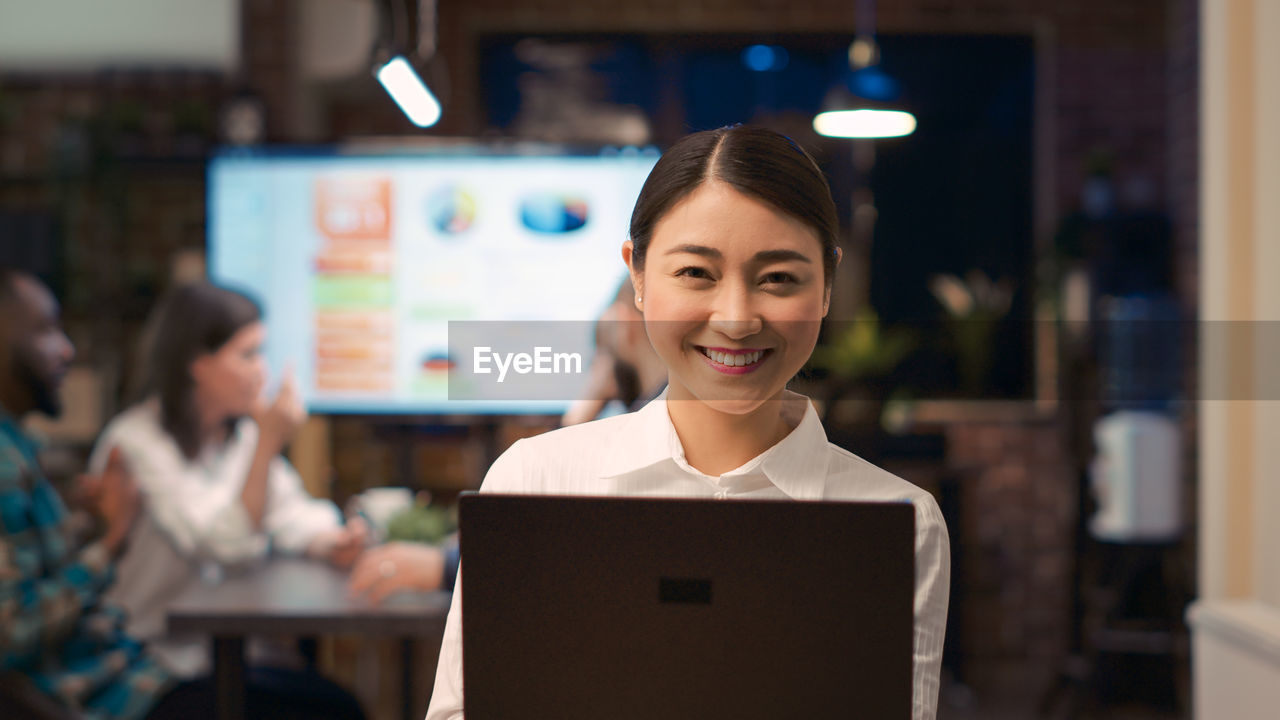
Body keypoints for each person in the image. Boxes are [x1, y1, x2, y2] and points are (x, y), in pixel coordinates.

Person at [425, 126, 950, 720]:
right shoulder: (536, 482)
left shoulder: (897, 523)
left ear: (827, 284)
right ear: (639, 276)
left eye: (778, 278)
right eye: (697, 273)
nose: (736, 319)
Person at [87, 282, 365, 719]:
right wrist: (271, 439)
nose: (262, 371)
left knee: (337, 703)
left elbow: (291, 514)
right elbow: (226, 544)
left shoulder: (239, 438)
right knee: (334, 711)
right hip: (156, 661)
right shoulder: (136, 443)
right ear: (197, 363)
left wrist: (331, 540)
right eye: (248, 354)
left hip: (233, 656)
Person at [0, 267, 172, 719]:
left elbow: (28, 574)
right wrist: (111, 542)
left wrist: (85, 525)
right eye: (45, 330)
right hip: (91, 697)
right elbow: (13, 634)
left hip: (114, 676)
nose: (67, 350)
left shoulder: (16, 445)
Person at [560, 280, 667, 426]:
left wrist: (581, 411)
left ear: (626, 324)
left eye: (604, 350)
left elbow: (553, 448)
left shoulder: (639, 427)